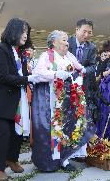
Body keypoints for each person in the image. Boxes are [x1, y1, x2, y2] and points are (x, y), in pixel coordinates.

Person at [0, 18, 38, 181]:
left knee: (17, 133)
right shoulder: (1, 50)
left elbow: (22, 74)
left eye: (27, 32)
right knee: (3, 133)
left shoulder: (19, 52)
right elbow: (2, 77)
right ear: (13, 31)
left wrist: (32, 77)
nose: (25, 35)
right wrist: (29, 79)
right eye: (22, 31)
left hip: (15, 99)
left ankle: (11, 159)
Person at [31, 30, 95, 171]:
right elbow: (38, 73)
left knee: (67, 127)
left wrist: (78, 77)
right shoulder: (46, 55)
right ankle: (51, 160)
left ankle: (64, 159)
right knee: (54, 129)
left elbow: (80, 69)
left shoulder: (68, 56)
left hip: (69, 100)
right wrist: (55, 74)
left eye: (67, 40)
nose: (67, 43)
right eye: (64, 40)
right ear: (54, 43)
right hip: (52, 100)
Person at [68, 19, 99, 123]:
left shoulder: (92, 47)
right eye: (84, 31)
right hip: (67, 83)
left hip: (83, 85)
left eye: (89, 32)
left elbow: (93, 66)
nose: (86, 35)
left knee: (82, 115)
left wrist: (83, 70)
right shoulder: (67, 42)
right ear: (77, 30)